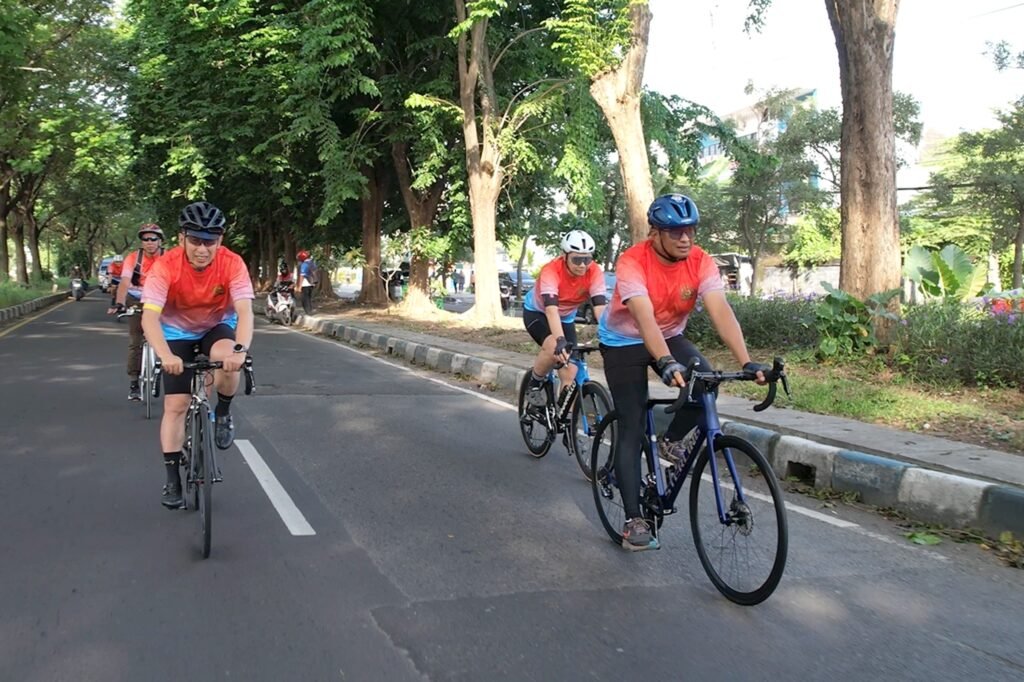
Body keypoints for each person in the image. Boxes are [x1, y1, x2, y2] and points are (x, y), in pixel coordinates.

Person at [597, 194, 767, 550]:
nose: (685, 238)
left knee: (706, 384)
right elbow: (643, 317)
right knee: (631, 423)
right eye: (675, 232)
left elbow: (720, 310)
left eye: (690, 230)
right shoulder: (633, 261)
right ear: (655, 233)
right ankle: (634, 520)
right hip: (623, 341)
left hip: (671, 335)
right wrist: (663, 360)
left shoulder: (701, 261)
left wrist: (746, 361)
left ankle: (670, 441)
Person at [140, 201, 255, 509]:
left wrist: (241, 351)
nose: (202, 249)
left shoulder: (232, 263)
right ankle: (172, 479)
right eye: (195, 240)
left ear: (220, 240)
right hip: (175, 334)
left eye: (210, 241)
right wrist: (165, 355)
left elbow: (245, 311)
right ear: (182, 238)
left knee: (228, 361)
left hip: (216, 326)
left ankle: (223, 413)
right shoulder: (165, 266)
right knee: (176, 405)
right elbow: (149, 317)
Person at [522, 230, 608, 407]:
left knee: (571, 370)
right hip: (538, 313)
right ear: (564, 255)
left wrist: (610, 334)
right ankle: (534, 384)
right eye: (577, 260)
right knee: (553, 347)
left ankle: (563, 415)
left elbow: (600, 307)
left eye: (587, 259)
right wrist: (560, 340)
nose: (582, 265)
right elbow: (551, 310)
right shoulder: (551, 271)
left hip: (566, 317)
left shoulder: (594, 271)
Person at [108, 224, 165, 400]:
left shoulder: (168, 257)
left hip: (161, 299)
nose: (149, 242)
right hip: (136, 298)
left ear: (160, 241)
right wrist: (119, 302)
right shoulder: (133, 258)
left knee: (172, 337)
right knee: (135, 340)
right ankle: (134, 383)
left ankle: (169, 373)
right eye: (145, 239)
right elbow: (125, 281)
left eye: (153, 238)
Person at [296, 249, 315, 315]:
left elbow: (302, 276)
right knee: (308, 298)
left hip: (305, 284)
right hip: (311, 283)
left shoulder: (304, 264)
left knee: (304, 299)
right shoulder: (312, 263)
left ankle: (308, 312)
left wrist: (299, 287)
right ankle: (310, 310)